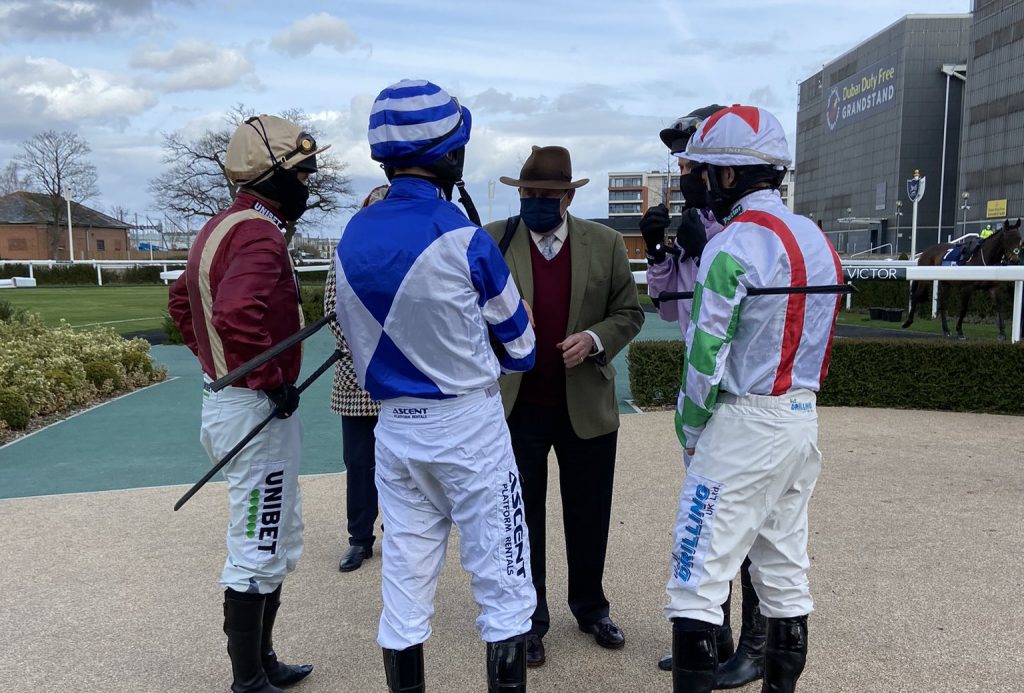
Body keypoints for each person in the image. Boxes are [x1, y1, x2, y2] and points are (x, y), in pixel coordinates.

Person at [332, 79, 537, 693]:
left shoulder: (349, 237)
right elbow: (522, 348)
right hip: (469, 428)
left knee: (404, 585)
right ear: (452, 155)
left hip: (393, 430)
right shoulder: (466, 237)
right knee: (503, 586)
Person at [664, 105, 843, 693]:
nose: (704, 182)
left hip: (740, 423)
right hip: (801, 417)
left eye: (709, 172)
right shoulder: (819, 239)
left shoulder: (732, 244)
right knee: (785, 574)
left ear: (731, 175)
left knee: (695, 579)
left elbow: (703, 358)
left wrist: (690, 434)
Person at [168, 114, 326, 693]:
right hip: (253, 410)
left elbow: (183, 303)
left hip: (234, 400)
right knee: (261, 537)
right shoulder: (258, 231)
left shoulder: (222, 223)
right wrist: (266, 377)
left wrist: (217, 363)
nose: (309, 185)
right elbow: (234, 314)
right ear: (274, 175)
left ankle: (262, 662)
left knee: (277, 530)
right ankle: (247, 679)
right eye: (303, 174)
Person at [485, 145, 645, 668]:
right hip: (518, 407)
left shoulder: (605, 242)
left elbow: (629, 312)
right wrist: (500, 321)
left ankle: (591, 607)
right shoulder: (493, 240)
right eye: (528, 193)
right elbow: (463, 311)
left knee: (589, 513)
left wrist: (596, 339)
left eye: (547, 195)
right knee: (520, 519)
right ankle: (530, 620)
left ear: (569, 196)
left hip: (587, 407)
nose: (535, 201)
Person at [643, 106, 768, 689]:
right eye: (681, 158)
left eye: (691, 155)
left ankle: (756, 643)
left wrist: (712, 240)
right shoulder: (700, 215)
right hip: (702, 384)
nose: (684, 166)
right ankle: (712, 637)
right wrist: (659, 255)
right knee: (713, 527)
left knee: (745, 527)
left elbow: (749, 295)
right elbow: (672, 307)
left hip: (741, 393)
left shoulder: (741, 225)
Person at [324, 184, 388, 573]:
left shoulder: (408, 253)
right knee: (359, 462)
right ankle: (359, 539)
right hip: (356, 377)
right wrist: (370, 354)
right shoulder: (345, 252)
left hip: (401, 380)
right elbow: (333, 309)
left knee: (404, 464)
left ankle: (400, 534)